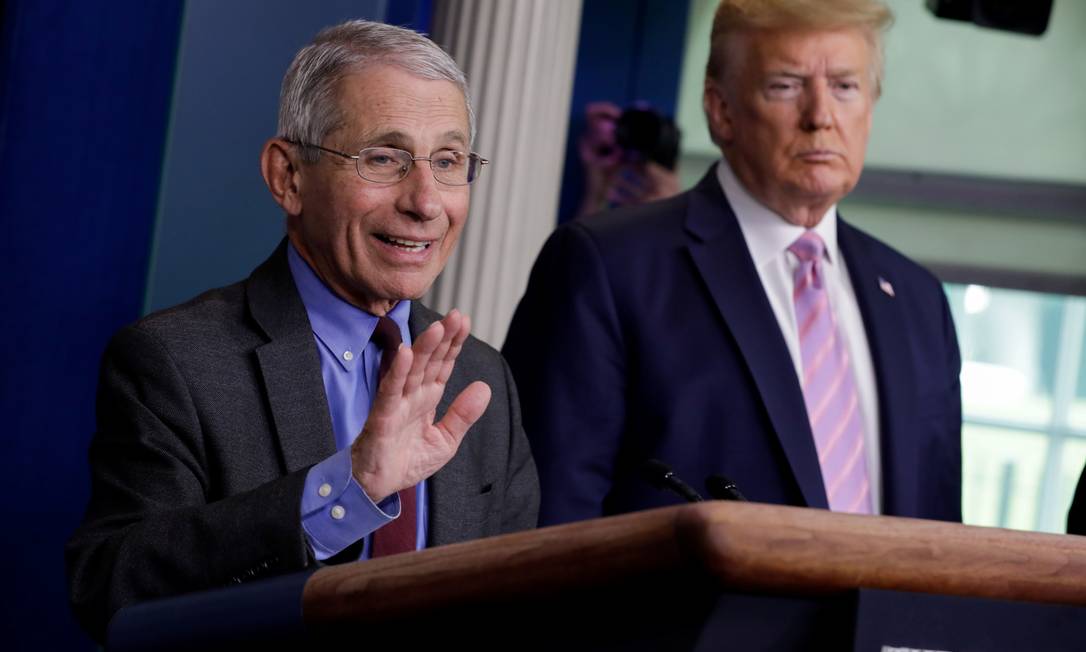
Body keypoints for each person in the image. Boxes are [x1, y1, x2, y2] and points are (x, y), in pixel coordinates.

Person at [67, 20, 539, 642]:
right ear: (288, 176)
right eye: (384, 158)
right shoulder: (174, 361)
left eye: (447, 161)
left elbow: (523, 602)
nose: (426, 202)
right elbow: (110, 588)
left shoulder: (482, 379)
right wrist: (345, 493)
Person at [503, 0, 961, 526]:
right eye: (786, 85)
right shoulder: (607, 267)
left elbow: (940, 535)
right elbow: (545, 522)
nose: (821, 117)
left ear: (870, 108)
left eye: (844, 86)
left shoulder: (920, 301)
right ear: (721, 110)